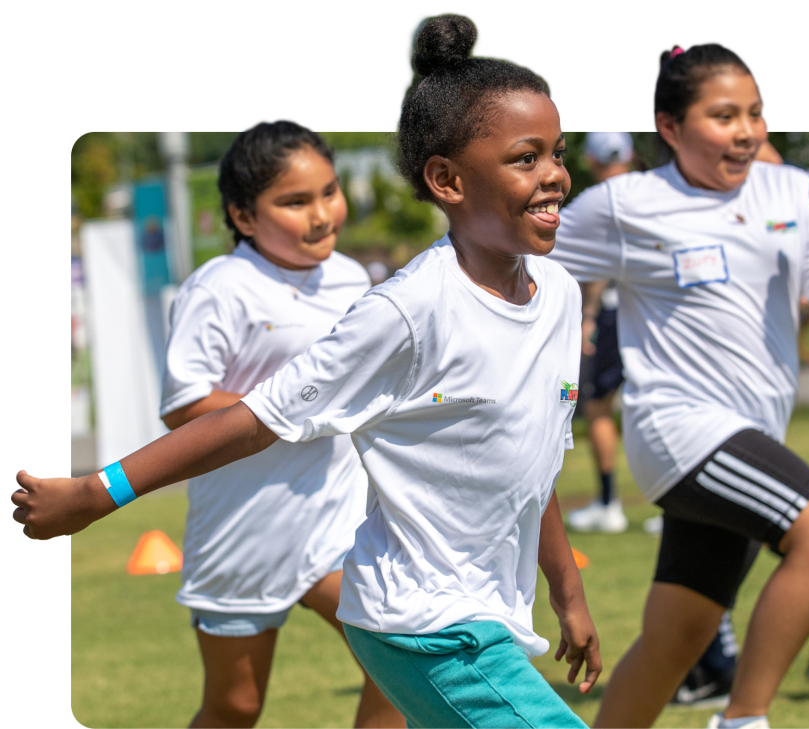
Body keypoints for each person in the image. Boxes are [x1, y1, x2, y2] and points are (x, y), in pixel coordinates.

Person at [14, 12, 600, 729]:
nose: (555, 177)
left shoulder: (559, 294)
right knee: (235, 705)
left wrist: (567, 590)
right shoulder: (403, 306)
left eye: (557, 153)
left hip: (424, 584)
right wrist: (96, 492)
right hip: (408, 613)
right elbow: (254, 417)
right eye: (525, 158)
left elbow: (528, 456)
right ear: (446, 179)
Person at [549, 40, 809, 729]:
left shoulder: (792, 190)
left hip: (752, 434)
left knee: (677, 640)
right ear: (669, 128)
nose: (746, 131)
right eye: (723, 115)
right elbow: (522, 251)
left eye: (755, 114)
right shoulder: (623, 204)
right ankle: (744, 719)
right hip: (677, 429)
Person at [134, 120, 407, 729]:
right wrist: (295, 408)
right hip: (244, 532)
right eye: (294, 201)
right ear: (243, 214)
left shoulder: (350, 277)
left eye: (329, 192)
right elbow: (182, 407)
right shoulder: (220, 288)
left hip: (338, 523)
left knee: (401, 666)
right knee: (235, 707)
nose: (321, 214)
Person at [566, 131, 633, 534]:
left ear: (590, 159)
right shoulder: (650, 194)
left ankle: (610, 503)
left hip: (613, 315)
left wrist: (587, 314)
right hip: (654, 314)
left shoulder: (599, 204)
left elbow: (596, 270)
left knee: (598, 408)